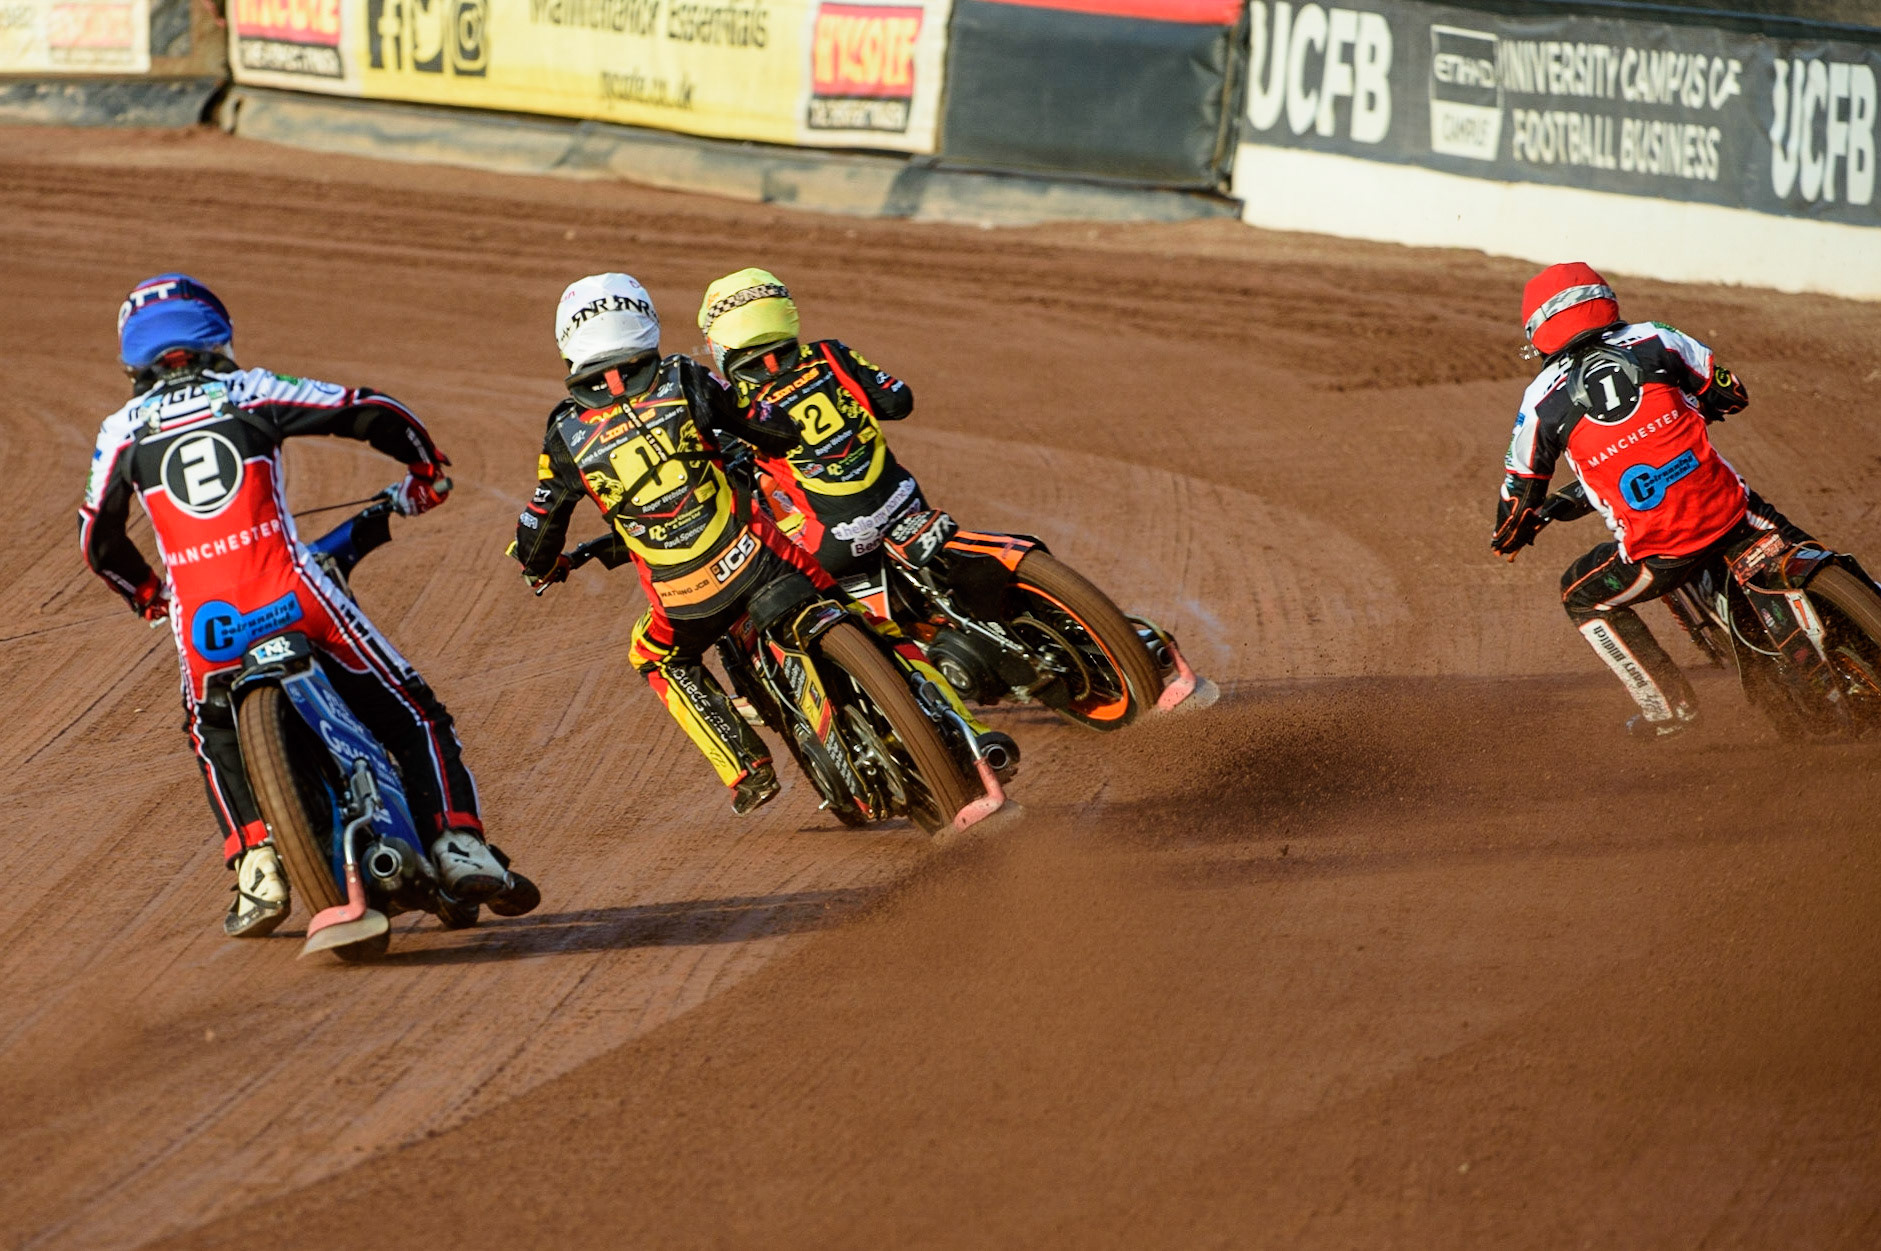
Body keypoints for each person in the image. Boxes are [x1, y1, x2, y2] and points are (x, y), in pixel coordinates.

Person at [82, 273, 530, 937]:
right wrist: (425, 471)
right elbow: (366, 408)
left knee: (211, 731)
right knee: (413, 710)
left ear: (132, 357)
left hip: (207, 627)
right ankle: (456, 841)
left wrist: (148, 595)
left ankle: (256, 864)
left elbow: (98, 538)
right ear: (217, 337)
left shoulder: (121, 430)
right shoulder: (248, 390)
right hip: (294, 596)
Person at [510, 273, 1013, 816]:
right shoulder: (686, 376)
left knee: (653, 655)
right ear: (647, 323)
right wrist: (766, 433)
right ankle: (965, 727)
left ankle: (745, 770)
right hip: (764, 561)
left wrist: (542, 567)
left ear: (568, 345)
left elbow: (538, 527)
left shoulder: (563, 431)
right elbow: (769, 429)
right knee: (861, 614)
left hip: (684, 600)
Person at [1491, 261, 1816, 736]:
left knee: (1580, 596)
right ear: (1602, 300)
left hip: (1659, 550)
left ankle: (1667, 708)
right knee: (1806, 551)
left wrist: (1508, 537)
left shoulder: (1539, 399)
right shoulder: (1657, 337)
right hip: (1734, 512)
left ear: (1540, 330)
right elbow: (1731, 393)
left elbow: (1518, 496)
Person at [694, 269, 926, 579]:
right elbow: (899, 402)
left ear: (718, 342)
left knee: (763, 583)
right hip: (907, 502)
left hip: (838, 541)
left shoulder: (736, 403)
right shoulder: (831, 354)